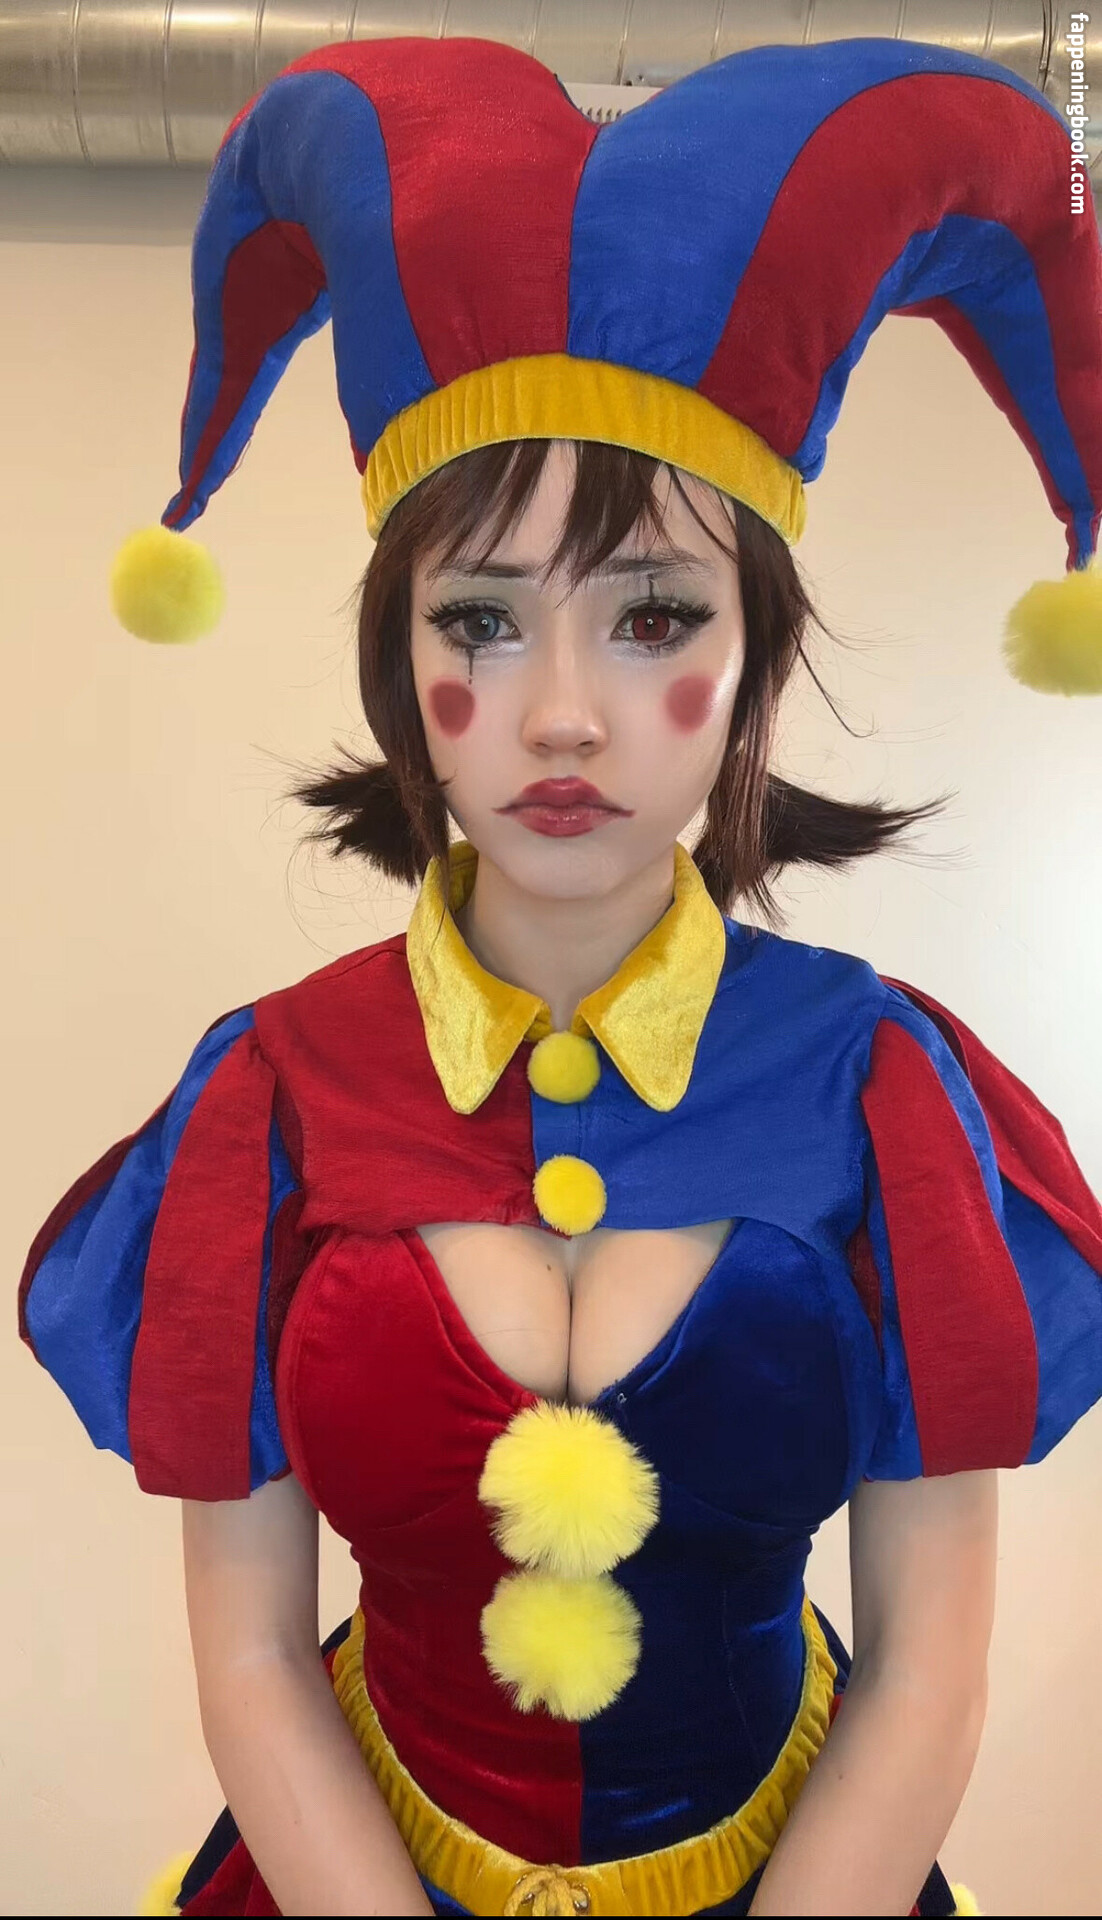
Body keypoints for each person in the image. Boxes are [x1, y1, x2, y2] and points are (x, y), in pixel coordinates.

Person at [19, 33, 1102, 1920]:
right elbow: (252, 1653)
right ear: (403, 661)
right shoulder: (266, 1091)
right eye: (483, 619)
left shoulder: (884, 1088)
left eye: (654, 615)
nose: (565, 713)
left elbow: (928, 1665)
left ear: (754, 663)